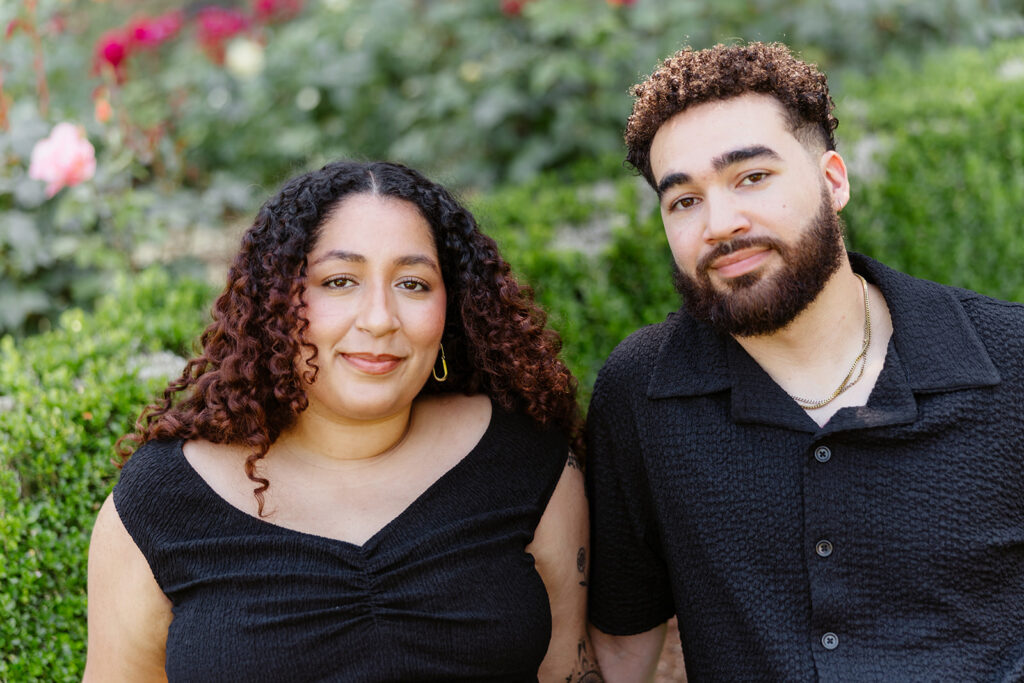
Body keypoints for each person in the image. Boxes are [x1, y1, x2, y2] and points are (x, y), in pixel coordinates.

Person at [586, 41, 1024, 681]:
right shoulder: (644, 393)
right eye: (684, 200)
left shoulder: (1009, 358)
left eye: (752, 177)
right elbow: (621, 642)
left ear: (833, 180)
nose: (720, 223)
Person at [85, 160, 603, 682]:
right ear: (275, 304)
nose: (379, 318)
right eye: (339, 281)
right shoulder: (160, 502)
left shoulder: (527, 462)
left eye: (413, 283)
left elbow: (571, 670)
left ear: (453, 308)